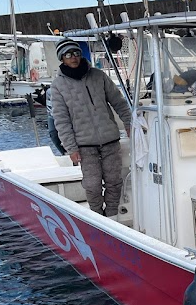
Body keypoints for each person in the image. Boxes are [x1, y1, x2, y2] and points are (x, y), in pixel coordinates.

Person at [47, 38, 132, 218]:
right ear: (62, 58)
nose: (74, 58)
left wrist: (128, 122)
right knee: (92, 185)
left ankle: (111, 218)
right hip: (84, 145)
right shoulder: (58, 86)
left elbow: (119, 102)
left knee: (114, 182)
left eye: (76, 53)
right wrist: (71, 148)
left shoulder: (98, 76)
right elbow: (61, 120)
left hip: (110, 140)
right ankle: (97, 217)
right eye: (69, 55)